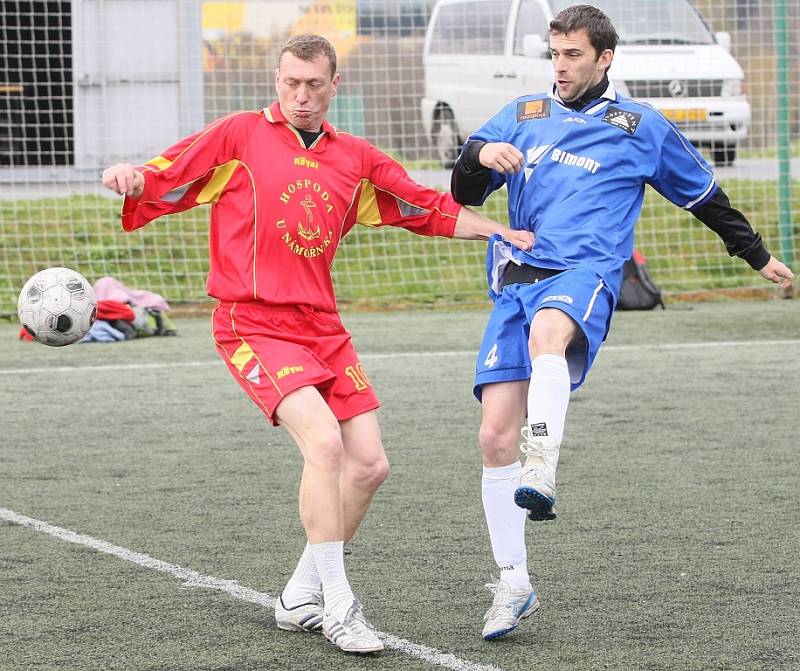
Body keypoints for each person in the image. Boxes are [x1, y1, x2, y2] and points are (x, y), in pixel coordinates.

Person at [102, 34, 533, 654]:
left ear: (334, 86)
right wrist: (132, 175)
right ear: (277, 82)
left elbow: (426, 207)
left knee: (370, 465)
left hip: (321, 328)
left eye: (313, 85)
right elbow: (170, 174)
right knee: (325, 443)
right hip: (251, 323)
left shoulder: (354, 157)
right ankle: (338, 605)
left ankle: (298, 594)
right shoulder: (240, 135)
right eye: (289, 83)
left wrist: (500, 231)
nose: (300, 97)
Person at [450, 4, 794, 642]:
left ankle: (544, 463)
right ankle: (514, 582)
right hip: (515, 280)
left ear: (605, 58)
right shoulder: (523, 114)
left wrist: (756, 254)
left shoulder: (639, 126)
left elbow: (704, 198)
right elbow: (464, 195)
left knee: (548, 334)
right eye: (555, 54)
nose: (561, 66)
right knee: (495, 436)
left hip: (584, 275)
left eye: (574, 55)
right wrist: (480, 155)